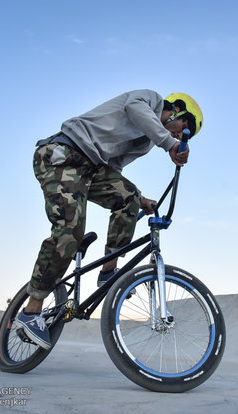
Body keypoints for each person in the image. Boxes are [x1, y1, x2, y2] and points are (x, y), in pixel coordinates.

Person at [16, 90, 203, 349]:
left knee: (129, 197)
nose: (179, 135)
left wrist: (139, 199)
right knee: (70, 230)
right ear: (179, 110)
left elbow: (113, 170)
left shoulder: (146, 142)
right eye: (185, 129)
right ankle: (30, 312)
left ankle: (108, 272)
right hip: (63, 154)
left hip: (92, 169)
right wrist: (169, 144)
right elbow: (134, 109)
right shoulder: (149, 99)